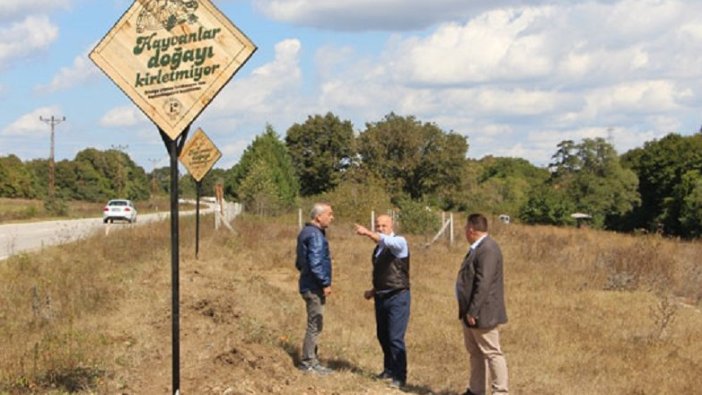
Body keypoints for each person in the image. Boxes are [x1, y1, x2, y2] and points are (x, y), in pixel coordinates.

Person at [455, 213, 509, 395]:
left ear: (471, 229)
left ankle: (500, 391)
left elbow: (483, 282)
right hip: (469, 310)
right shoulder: (478, 248)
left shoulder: (488, 249)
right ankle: (476, 390)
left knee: (492, 352)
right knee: (475, 352)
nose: (464, 232)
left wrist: (473, 310)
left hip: (482, 312)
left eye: (465, 228)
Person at [355, 215, 410, 389]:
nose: (380, 228)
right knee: (383, 335)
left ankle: (400, 376)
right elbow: (385, 272)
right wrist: (373, 291)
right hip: (381, 296)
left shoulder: (400, 243)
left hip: (398, 296)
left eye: (383, 225)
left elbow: (387, 241)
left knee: (395, 337)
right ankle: (389, 369)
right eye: (377, 226)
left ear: (391, 226)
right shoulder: (378, 249)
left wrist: (368, 233)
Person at [296, 203, 335, 375]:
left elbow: (300, 263)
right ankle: (309, 362)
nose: (332, 217)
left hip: (307, 283)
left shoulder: (306, 232)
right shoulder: (316, 236)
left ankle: (311, 359)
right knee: (315, 324)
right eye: (329, 214)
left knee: (314, 323)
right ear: (319, 217)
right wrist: (325, 283)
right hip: (313, 287)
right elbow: (316, 263)